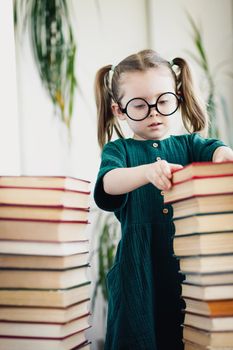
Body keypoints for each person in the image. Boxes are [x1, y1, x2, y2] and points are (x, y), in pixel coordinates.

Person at [93, 49, 233, 350]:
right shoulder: (120, 151)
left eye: (163, 101)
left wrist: (223, 157)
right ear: (119, 110)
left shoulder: (189, 144)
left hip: (191, 268)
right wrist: (146, 172)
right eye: (140, 106)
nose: (154, 112)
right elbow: (108, 183)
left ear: (178, 98)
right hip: (140, 269)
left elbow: (218, 150)